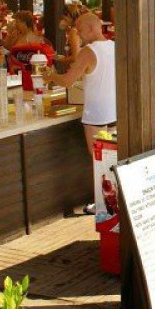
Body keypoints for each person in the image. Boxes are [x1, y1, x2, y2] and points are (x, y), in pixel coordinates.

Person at [46, 13, 115, 214]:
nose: (78, 35)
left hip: (96, 115)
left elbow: (68, 81)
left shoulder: (88, 51)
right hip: (113, 111)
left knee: (99, 160)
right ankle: (112, 202)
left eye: (80, 30)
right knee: (110, 158)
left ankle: (103, 205)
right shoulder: (114, 47)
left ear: (91, 28)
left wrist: (50, 75)